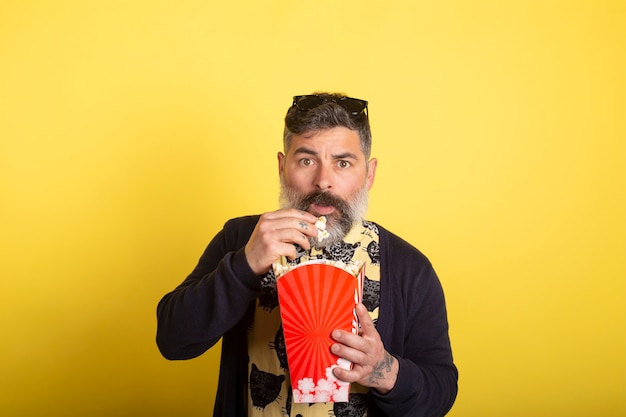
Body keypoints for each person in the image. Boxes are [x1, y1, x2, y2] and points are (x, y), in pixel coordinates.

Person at [156, 92, 458, 417]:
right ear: (282, 166)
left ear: (369, 174)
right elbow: (173, 341)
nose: (323, 181)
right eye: (307, 160)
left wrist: (384, 372)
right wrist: (245, 265)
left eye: (343, 163)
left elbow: (441, 391)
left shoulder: (408, 267)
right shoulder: (242, 238)